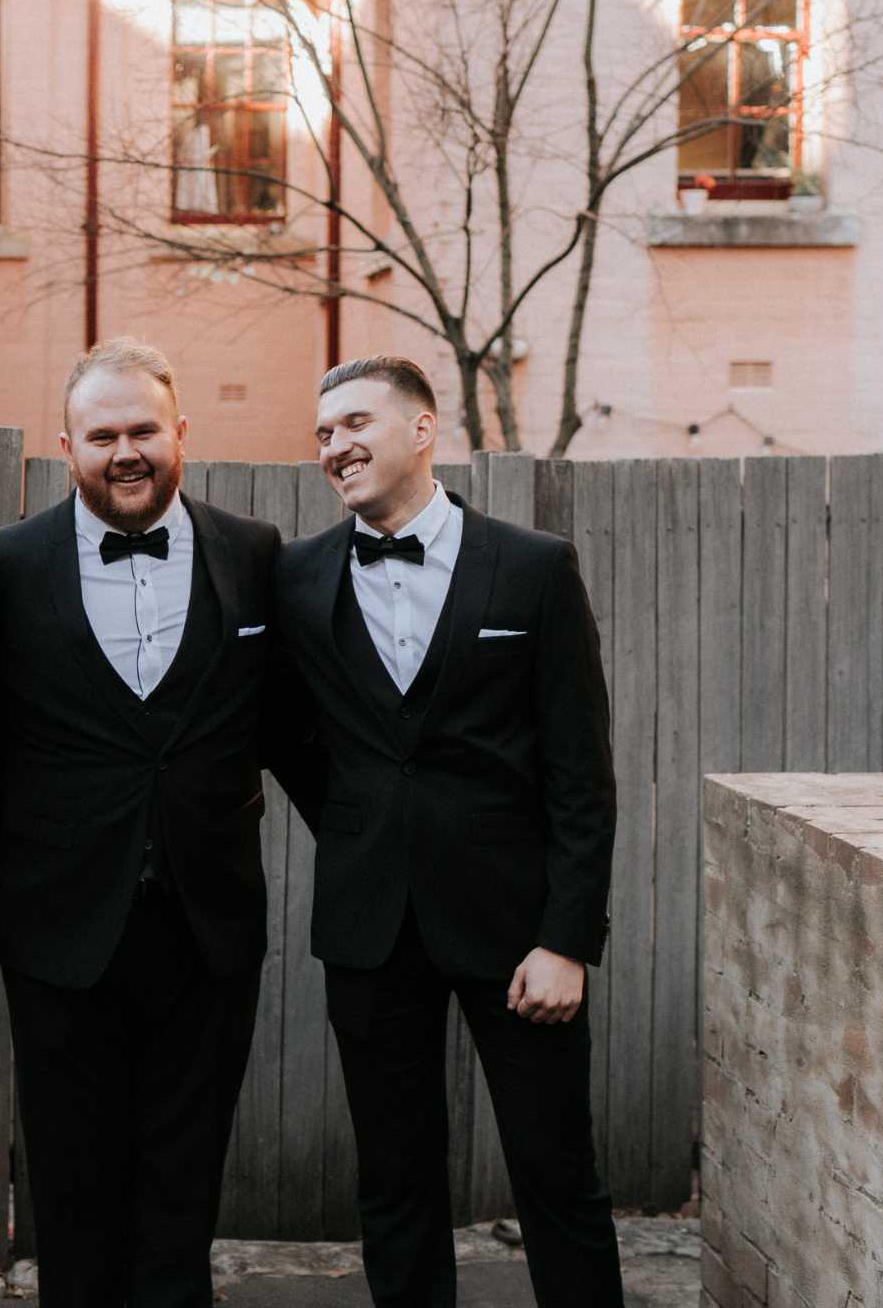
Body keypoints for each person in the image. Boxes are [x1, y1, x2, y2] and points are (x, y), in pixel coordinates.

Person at [0, 338, 324, 1307]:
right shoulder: (4, 564)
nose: (125, 452)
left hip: (207, 923)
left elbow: (292, 726)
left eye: (142, 431)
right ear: (66, 446)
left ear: (179, 434)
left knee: (185, 1178)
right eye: (102, 436)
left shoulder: (252, 554)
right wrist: (29, 853)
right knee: (71, 1184)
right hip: (59, 926)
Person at [278, 356, 622, 1306]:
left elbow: (581, 777)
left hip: (519, 931)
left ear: (423, 429)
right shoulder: (298, 579)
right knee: (393, 1180)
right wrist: (360, 830)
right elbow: (293, 744)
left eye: (354, 424)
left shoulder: (533, 566)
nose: (334, 447)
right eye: (322, 433)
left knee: (558, 1174)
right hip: (369, 927)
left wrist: (566, 938)